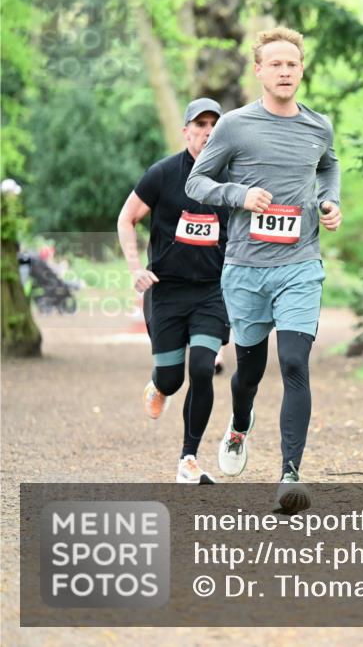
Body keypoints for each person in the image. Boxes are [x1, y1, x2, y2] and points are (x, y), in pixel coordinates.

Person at [185, 27, 342, 513]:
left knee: (294, 363)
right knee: (248, 372)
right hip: (246, 268)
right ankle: (239, 424)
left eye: (292, 64)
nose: (284, 71)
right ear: (258, 71)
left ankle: (290, 475)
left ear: (302, 69)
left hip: (300, 265)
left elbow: (328, 166)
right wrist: (239, 195)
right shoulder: (235, 126)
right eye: (275, 64)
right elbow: (196, 182)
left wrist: (330, 201)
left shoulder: (318, 126)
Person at [117, 98, 230, 484]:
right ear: (186, 132)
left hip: (212, 292)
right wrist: (136, 269)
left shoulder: (232, 178)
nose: (208, 132)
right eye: (200, 125)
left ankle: (188, 459)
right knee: (172, 379)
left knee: (202, 368)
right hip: (166, 291)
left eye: (214, 125)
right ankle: (159, 385)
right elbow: (127, 218)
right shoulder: (163, 173)